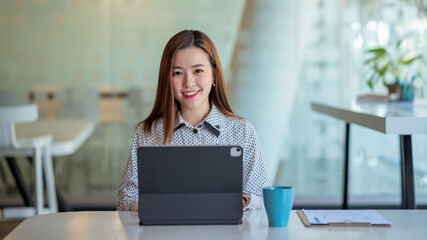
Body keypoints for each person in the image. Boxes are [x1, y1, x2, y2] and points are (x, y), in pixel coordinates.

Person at [116, 30, 270, 211]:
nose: (188, 82)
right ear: (168, 79)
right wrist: (164, 205)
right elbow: (124, 201)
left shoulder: (242, 131)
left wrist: (239, 201)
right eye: (178, 73)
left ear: (213, 74)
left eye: (198, 71)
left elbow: (262, 202)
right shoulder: (148, 133)